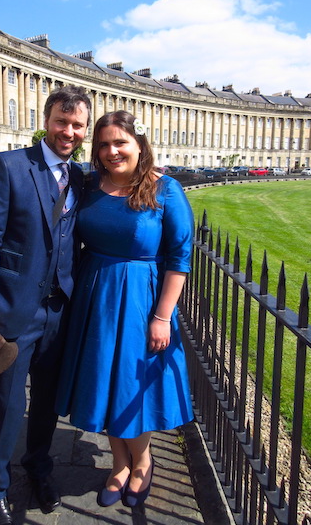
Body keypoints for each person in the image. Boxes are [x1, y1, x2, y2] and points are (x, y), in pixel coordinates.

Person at [56, 110, 194, 508]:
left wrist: (162, 316)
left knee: (132, 383)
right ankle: (118, 463)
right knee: (104, 380)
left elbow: (179, 258)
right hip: (94, 294)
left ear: (139, 145)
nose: (112, 151)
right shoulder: (87, 186)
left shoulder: (165, 189)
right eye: (103, 144)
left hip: (141, 298)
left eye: (120, 143)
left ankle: (142, 461)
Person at [0, 85, 91, 524]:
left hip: (61, 310)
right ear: (47, 119)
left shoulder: (80, 177)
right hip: (12, 308)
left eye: (78, 125)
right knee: (7, 404)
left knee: (46, 402)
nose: (69, 131)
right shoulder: (11, 166)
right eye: (62, 121)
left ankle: (39, 467)